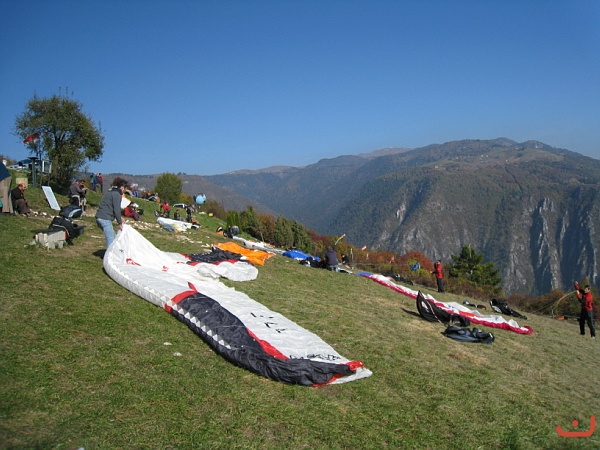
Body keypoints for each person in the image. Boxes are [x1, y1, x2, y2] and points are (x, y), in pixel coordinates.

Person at [95, 179, 128, 248]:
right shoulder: (117, 195)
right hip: (105, 218)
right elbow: (117, 209)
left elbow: (109, 206)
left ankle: (116, 252)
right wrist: (120, 223)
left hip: (99, 217)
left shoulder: (109, 192)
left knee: (114, 237)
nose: (125, 190)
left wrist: (120, 217)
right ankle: (109, 254)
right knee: (111, 240)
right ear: (122, 187)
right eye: (125, 188)